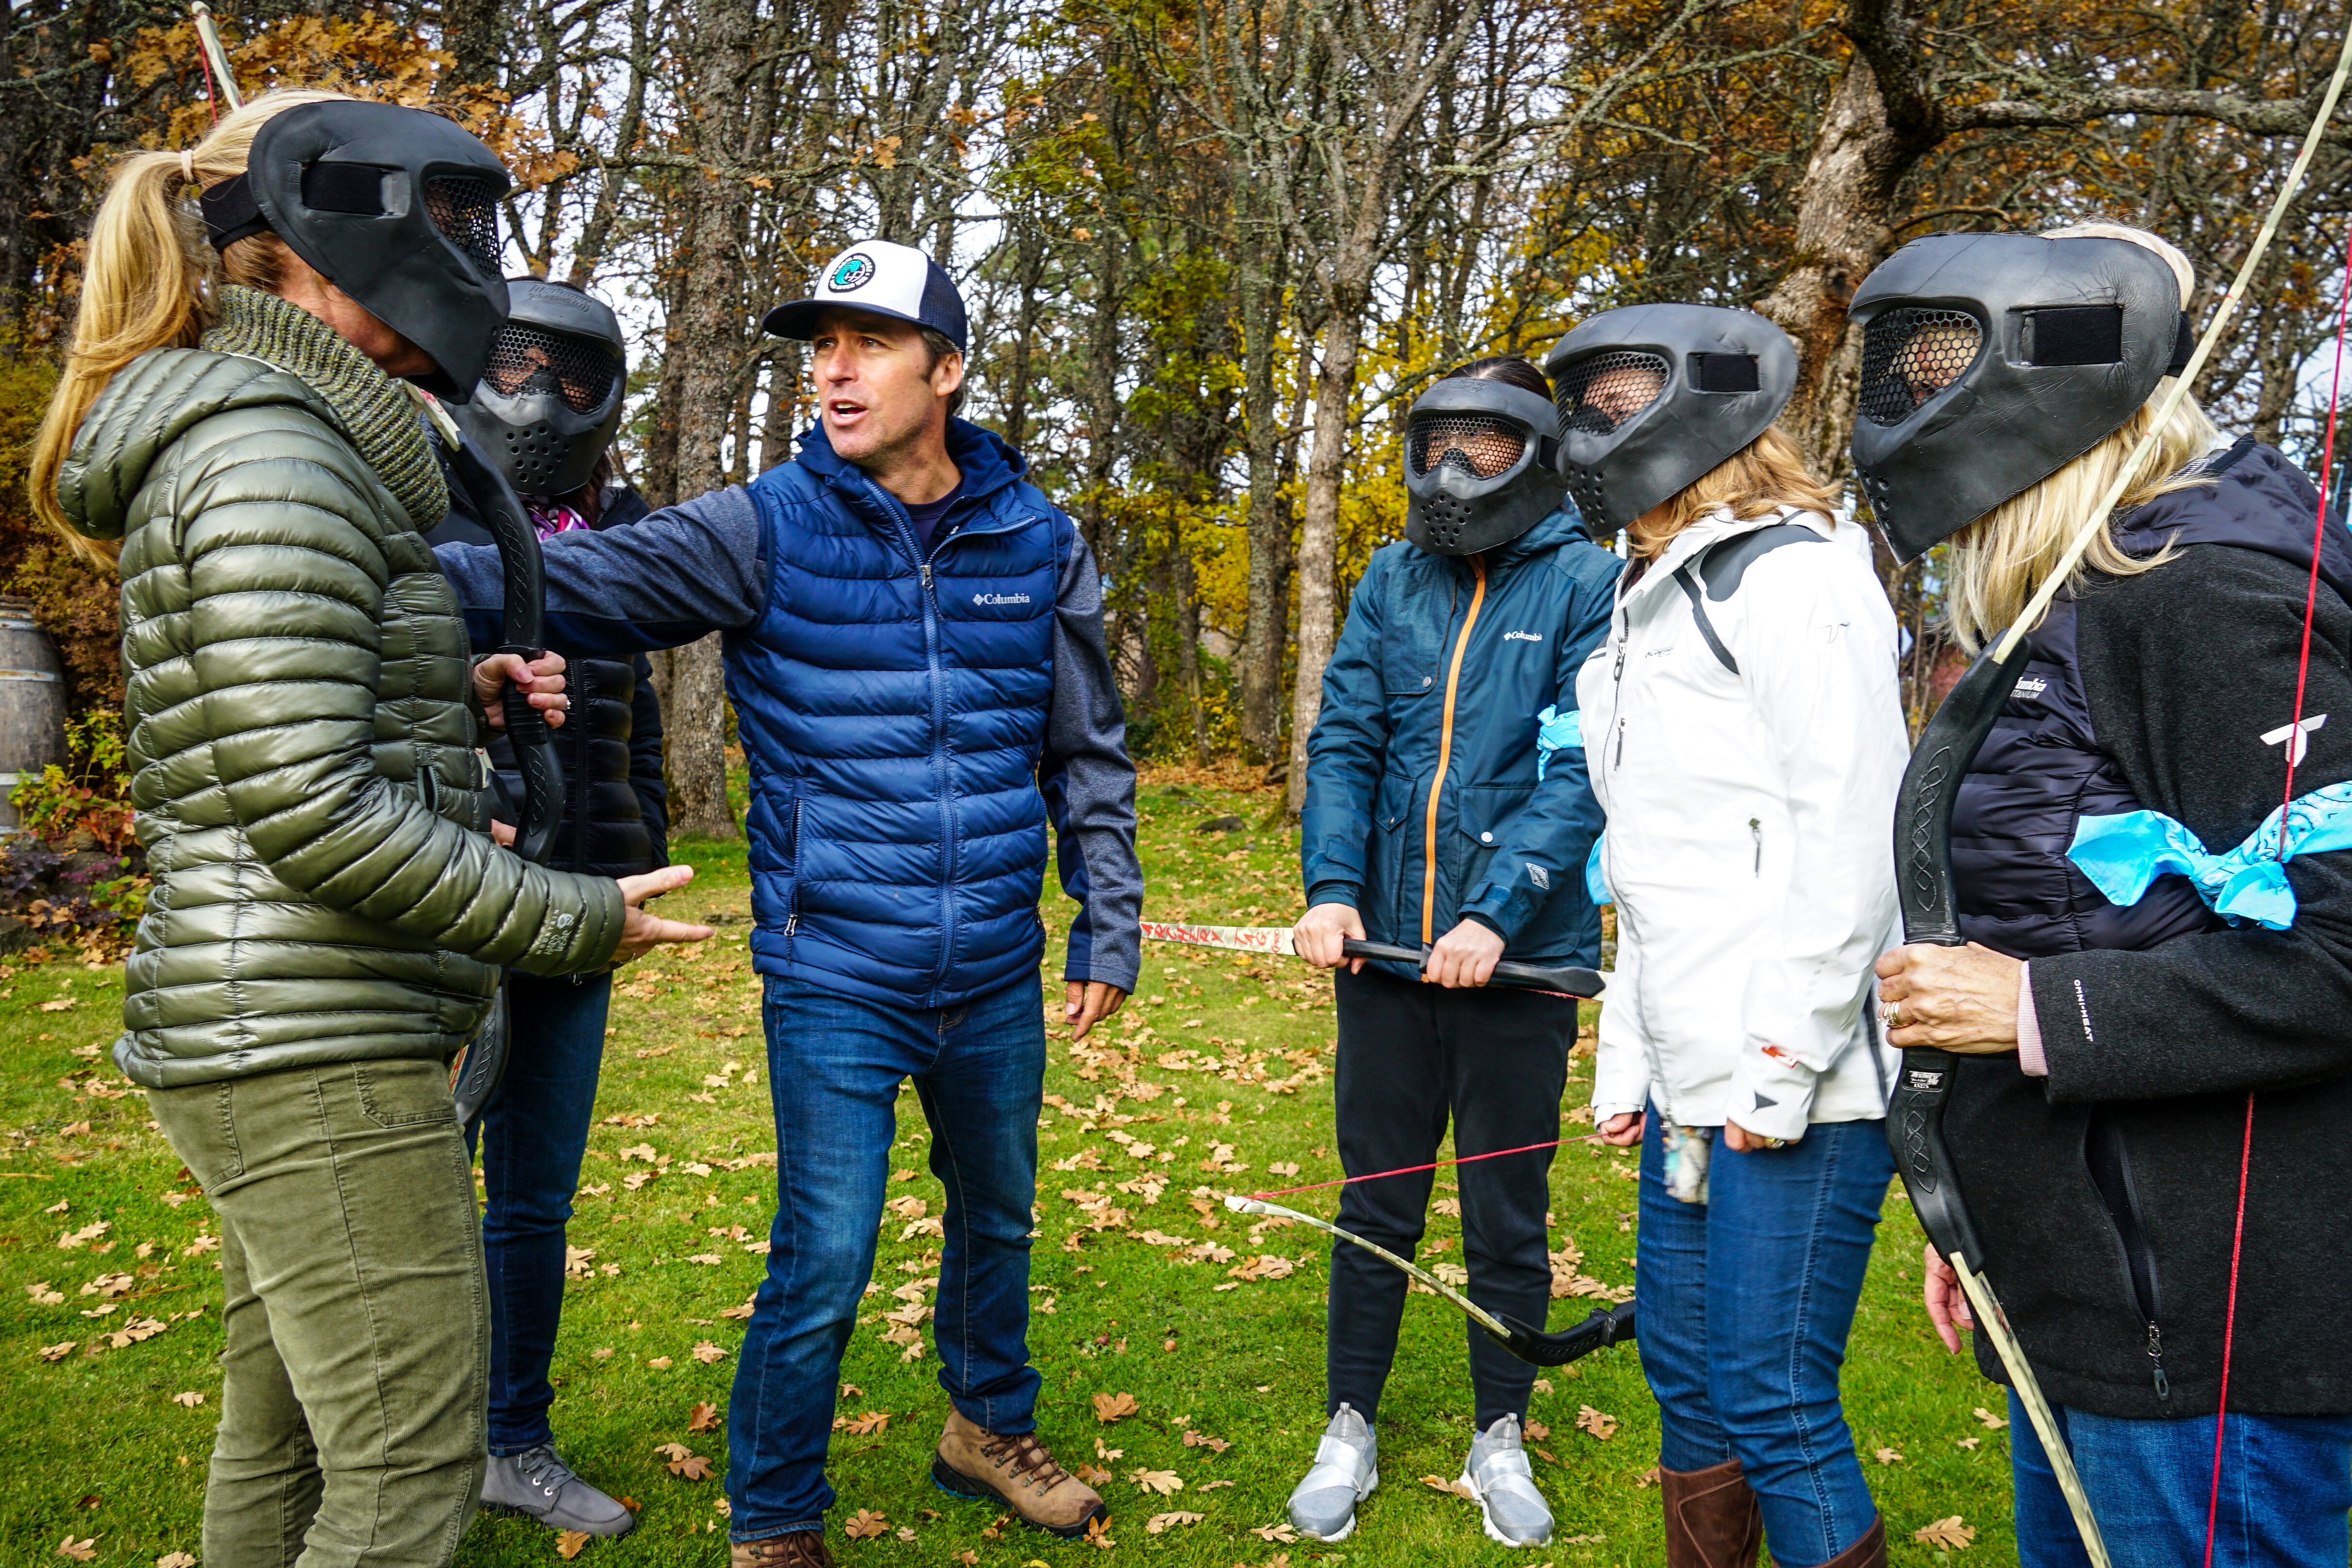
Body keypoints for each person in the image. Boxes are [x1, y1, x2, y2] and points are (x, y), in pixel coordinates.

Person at [25, 91, 710, 1568]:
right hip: (306, 1036)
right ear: (319, 239)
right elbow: (304, 803)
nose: (471, 267)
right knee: (404, 1468)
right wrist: (578, 915)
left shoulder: (276, 432)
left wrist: (444, 683)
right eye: (449, 227)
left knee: (276, 1431)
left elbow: (268, 718)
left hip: (283, 1013)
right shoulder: (273, 447)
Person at [434, 237, 1142, 1567]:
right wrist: (375, 548)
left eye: (867, 341)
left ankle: (988, 1424)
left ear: (945, 367)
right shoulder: (765, 523)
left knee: (997, 1214)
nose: (833, 367)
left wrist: (1106, 910)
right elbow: (584, 584)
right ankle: (773, 1517)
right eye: (821, 343)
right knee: (824, 1252)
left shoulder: (1033, 536)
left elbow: (1085, 746)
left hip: (992, 962)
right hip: (836, 967)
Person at [1860, 222, 2352, 1568]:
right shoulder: (2068, 605)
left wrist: (2031, 1006)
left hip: (2213, 1336)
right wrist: (1986, 1220)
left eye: (1933, 373)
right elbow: (2075, 910)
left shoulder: (2208, 600)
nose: (1897, 409)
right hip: (2086, 1290)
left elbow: (2335, 956)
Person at [1552, 304, 1907, 1568]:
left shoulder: (1800, 574)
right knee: (1686, 1377)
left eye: (1612, 399)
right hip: (1689, 1070)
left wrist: (1779, 1059)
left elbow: (1851, 841)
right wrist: (1630, 1063)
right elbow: (1659, 858)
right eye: (1578, 401)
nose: (1586, 428)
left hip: (1793, 1078)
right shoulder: (1638, 590)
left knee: (1772, 1395)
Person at [1289, 356, 1621, 1550]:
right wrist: (1333, 890)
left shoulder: (1591, 581)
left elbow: (1580, 767)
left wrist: (1491, 914)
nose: (1450, 470)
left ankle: (1500, 1432)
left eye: (1479, 446)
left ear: (1534, 453)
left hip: (1520, 969)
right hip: (1381, 959)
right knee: (1374, 1203)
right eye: (1434, 442)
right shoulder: (1391, 575)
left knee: (1504, 1216)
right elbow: (1347, 740)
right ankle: (1348, 1422)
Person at [426, 276, 668, 1539]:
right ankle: (395, 1444)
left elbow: (635, 742)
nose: (545, 401)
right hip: (446, 907)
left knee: (534, 1196)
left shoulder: (628, 531)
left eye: (576, 379)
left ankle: (511, 1436)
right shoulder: (415, 495)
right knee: (417, 1176)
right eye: (522, 367)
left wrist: (639, 852)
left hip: (580, 907)